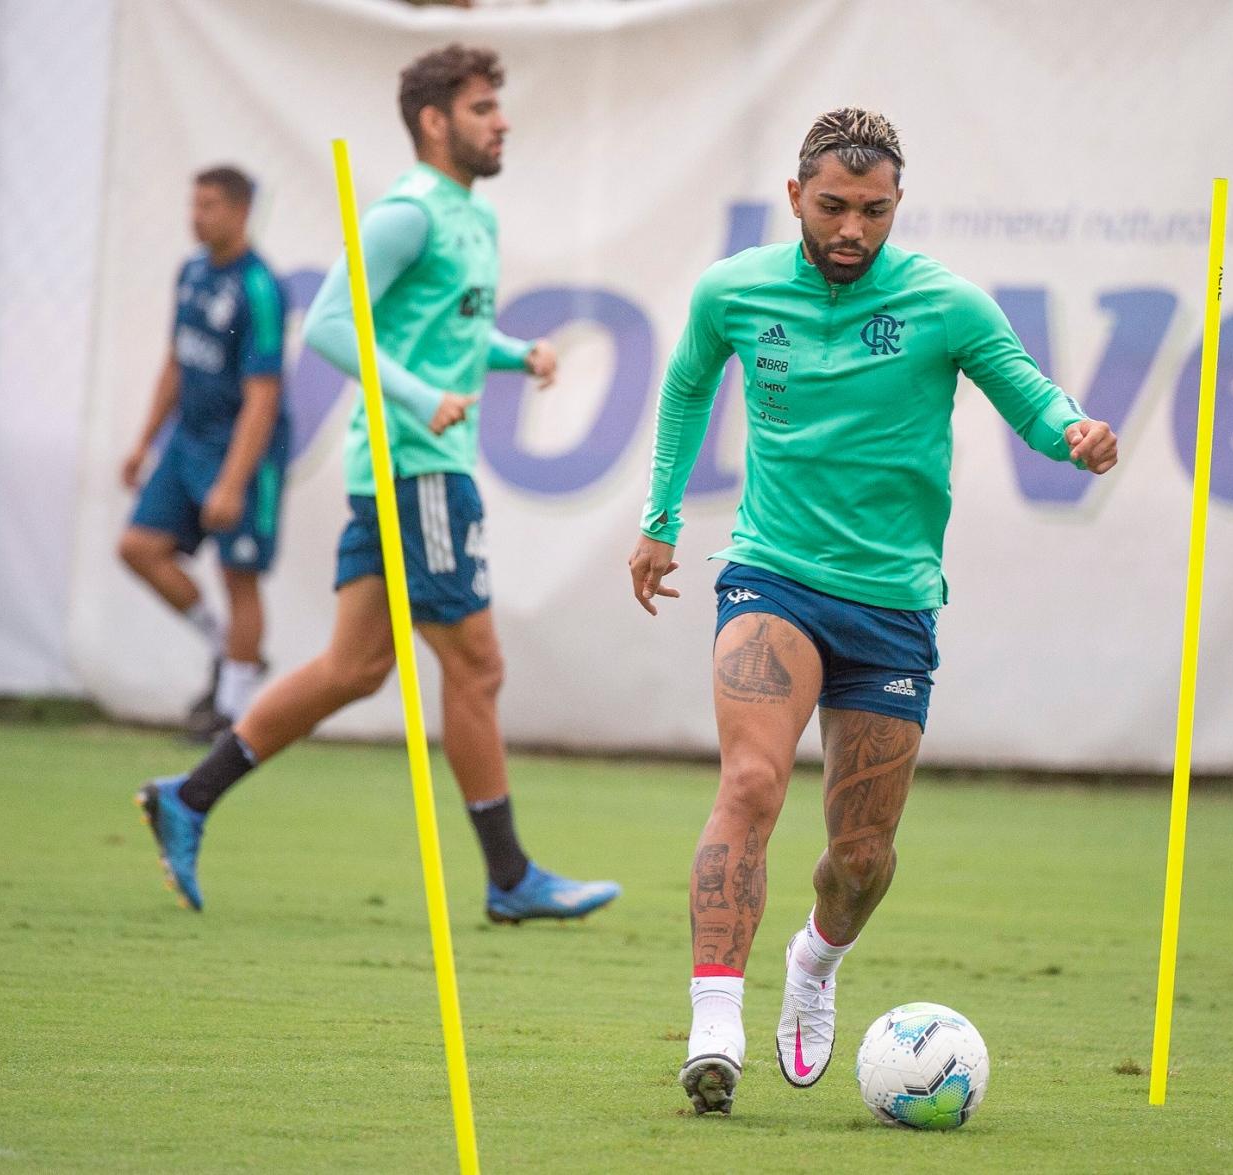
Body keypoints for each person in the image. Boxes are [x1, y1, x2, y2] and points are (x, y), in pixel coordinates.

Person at [628, 108, 1118, 1115]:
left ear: (899, 205)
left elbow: (1027, 393)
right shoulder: (735, 289)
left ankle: (813, 962)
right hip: (771, 576)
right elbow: (683, 388)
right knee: (753, 778)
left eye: (875, 210)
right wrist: (661, 520)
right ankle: (713, 1017)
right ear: (797, 193)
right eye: (835, 206)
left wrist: (1074, 431)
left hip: (892, 606)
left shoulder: (947, 303)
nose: (853, 228)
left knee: (860, 858)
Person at [136, 44, 620, 925]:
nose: (501, 121)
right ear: (435, 123)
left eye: (498, 108)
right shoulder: (410, 212)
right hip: (417, 471)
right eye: (481, 109)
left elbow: (444, 330)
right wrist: (420, 395)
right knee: (477, 666)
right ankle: (511, 876)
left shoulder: (475, 216)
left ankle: (189, 796)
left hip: (409, 468)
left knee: (354, 667)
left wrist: (515, 354)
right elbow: (328, 324)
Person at [119, 166, 287, 739]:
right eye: (195, 204)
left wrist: (234, 481)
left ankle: (234, 716)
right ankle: (229, 651)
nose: (198, 216)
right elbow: (176, 359)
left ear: (241, 211)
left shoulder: (260, 287)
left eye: (211, 205)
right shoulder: (190, 273)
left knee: (239, 573)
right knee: (139, 547)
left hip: (239, 451)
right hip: (187, 443)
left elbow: (264, 395)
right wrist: (144, 441)